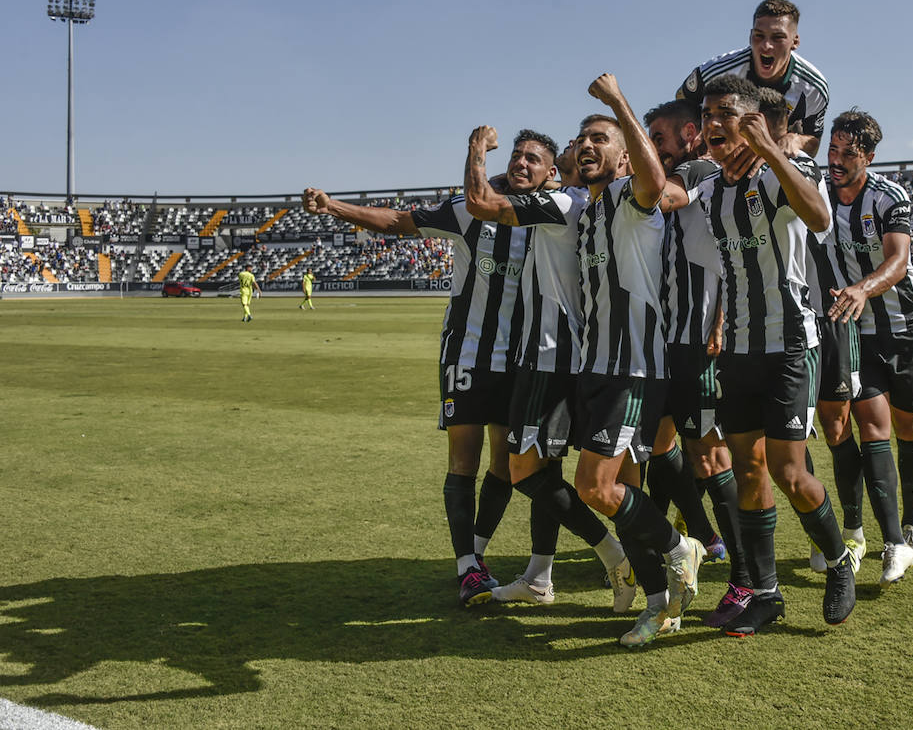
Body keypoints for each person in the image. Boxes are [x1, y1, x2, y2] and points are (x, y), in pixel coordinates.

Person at [465, 74, 705, 648]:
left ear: (623, 155)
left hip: (633, 368)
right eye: (584, 139)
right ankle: (657, 603)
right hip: (594, 368)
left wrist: (618, 103)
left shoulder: (631, 200)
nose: (590, 145)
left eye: (604, 139)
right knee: (618, 493)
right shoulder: (587, 212)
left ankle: (682, 547)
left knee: (597, 487)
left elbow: (654, 180)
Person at [300, 132, 559, 606]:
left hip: (520, 357)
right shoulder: (467, 211)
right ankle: (467, 567)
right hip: (467, 350)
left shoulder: (555, 214)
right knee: (464, 458)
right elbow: (397, 221)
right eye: (518, 155)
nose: (522, 162)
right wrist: (334, 206)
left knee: (506, 465)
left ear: (551, 172)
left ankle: (475, 554)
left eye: (534, 159)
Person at [684, 74, 855, 636]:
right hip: (738, 350)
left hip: (789, 344)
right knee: (749, 468)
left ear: (753, 121)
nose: (712, 124)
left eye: (725, 113)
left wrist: (771, 155)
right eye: (707, 114)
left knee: (788, 471)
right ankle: (764, 593)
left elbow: (820, 218)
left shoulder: (791, 174)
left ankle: (838, 560)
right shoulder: (709, 191)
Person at [809, 109, 913, 587]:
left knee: (908, 424)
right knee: (869, 422)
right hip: (852, 329)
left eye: (847, 154)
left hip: (902, 327)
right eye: (832, 151)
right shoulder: (815, 190)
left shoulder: (889, 197)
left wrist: (863, 287)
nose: (835, 161)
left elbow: (898, 261)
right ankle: (883, 540)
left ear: (870, 157)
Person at [644, 98, 746, 625]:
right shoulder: (680, 173)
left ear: (688, 133)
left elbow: (665, 199)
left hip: (696, 340)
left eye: (658, 138)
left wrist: (722, 317)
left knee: (709, 455)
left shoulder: (699, 168)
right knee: (659, 445)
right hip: (665, 343)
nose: (653, 148)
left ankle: (746, 573)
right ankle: (699, 539)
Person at [677, 0, 829, 158]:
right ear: (750, 35)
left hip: (775, 166)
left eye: (777, 38)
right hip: (719, 163)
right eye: (759, 36)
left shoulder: (813, 88)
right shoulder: (715, 71)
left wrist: (796, 140)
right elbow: (680, 104)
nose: (766, 46)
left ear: (795, 41)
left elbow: (814, 141)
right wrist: (702, 143)